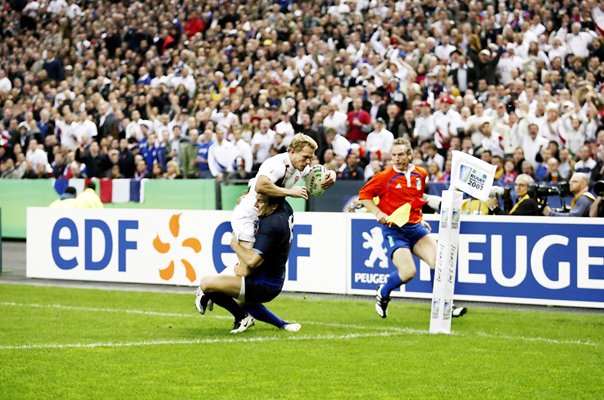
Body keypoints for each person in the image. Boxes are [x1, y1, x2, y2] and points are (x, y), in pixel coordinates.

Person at [196, 133, 336, 331]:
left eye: (311, 157)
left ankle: (218, 292)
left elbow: (317, 173)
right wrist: (290, 192)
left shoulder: (299, 166)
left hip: (261, 212)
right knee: (246, 269)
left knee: (247, 275)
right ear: (292, 151)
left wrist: (332, 175)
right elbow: (261, 184)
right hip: (247, 215)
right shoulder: (278, 163)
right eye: (306, 157)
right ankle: (207, 289)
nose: (308, 161)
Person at [358, 138, 466, 319]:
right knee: (408, 273)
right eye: (394, 155)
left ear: (410, 155)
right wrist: (377, 213)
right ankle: (383, 292)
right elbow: (364, 195)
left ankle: (444, 305)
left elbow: (415, 198)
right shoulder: (384, 177)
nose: (397, 158)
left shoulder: (421, 174)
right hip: (395, 230)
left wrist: (420, 218)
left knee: (440, 262)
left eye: (401, 154)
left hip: (415, 227)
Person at [195, 193, 295, 334]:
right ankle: (283, 325)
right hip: (272, 279)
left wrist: (235, 245)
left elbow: (251, 263)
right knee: (239, 299)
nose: (255, 205)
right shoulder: (284, 207)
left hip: (264, 285)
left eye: (260, 202)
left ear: (273, 206)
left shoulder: (271, 225)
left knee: (206, 284)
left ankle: (242, 317)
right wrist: (248, 198)